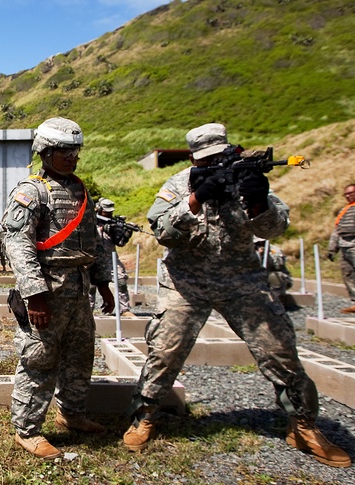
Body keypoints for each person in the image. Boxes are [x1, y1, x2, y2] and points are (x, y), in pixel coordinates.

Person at [123, 123, 350, 468]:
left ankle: (303, 425)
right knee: (165, 351)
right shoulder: (180, 183)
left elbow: (275, 228)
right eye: (206, 162)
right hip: (186, 281)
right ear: (194, 160)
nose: (214, 166)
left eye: (220, 159)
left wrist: (259, 202)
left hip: (242, 280)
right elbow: (162, 231)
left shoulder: (247, 180)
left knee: (280, 350)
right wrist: (197, 199)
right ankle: (145, 416)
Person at [1, 117, 115, 460]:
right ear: (45, 152)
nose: (71, 157)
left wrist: (103, 282)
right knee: (39, 358)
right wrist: (34, 293)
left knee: (81, 355)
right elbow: (18, 243)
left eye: (75, 151)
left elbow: (92, 240)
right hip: (47, 290)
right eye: (63, 151)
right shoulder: (30, 191)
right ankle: (28, 429)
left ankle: (72, 413)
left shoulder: (80, 191)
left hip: (80, 289)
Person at [89, 198, 135, 317]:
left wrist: (126, 233)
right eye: (106, 211)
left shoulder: (113, 223)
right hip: (93, 257)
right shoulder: (91, 220)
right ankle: (88, 311)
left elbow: (120, 242)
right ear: (99, 209)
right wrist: (102, 229)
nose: (109, 214)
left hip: (110, 258)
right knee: (91, 286)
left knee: (121, 280)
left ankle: (124, 309)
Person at [327, 183, 355, 314]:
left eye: (351, 193)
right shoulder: (343, 211)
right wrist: (332, 249)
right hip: (344, 246)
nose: (348, 196)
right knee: (348, 275)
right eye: (346, 194)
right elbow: (336, 231)